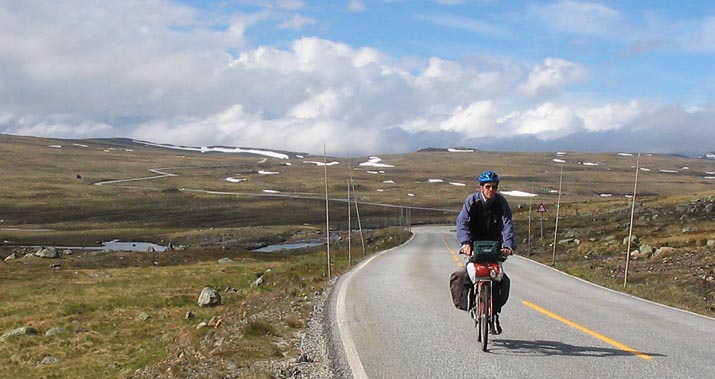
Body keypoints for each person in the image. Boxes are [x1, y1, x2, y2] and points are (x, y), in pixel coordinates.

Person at [450, 170, 515, 334]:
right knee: (461, 276)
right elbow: (462, 222)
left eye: (494, 187)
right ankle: (469, 304)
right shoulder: (471, 202)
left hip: (495, 248)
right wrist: (465, 243)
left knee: (503, 281)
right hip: (474, 247)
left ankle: (494, 312)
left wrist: (507, 245)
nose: (491, 190)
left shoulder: (501, 203)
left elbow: (507, 224)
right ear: (481, 187)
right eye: (487, 187)